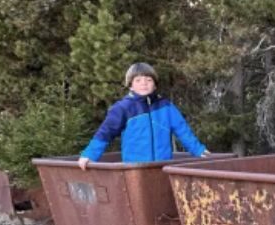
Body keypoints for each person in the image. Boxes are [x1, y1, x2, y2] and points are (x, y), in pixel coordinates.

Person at [77, 62, 209, 168]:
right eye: (138, 80)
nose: (144, 83)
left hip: (162, 166)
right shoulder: (123, 108)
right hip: (134, 168)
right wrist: (89, 154)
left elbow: (182, 130)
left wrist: (198, 150)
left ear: (155, 85)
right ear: (130, 86)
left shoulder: (166, 107)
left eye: (148, 80)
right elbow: (105, 132)